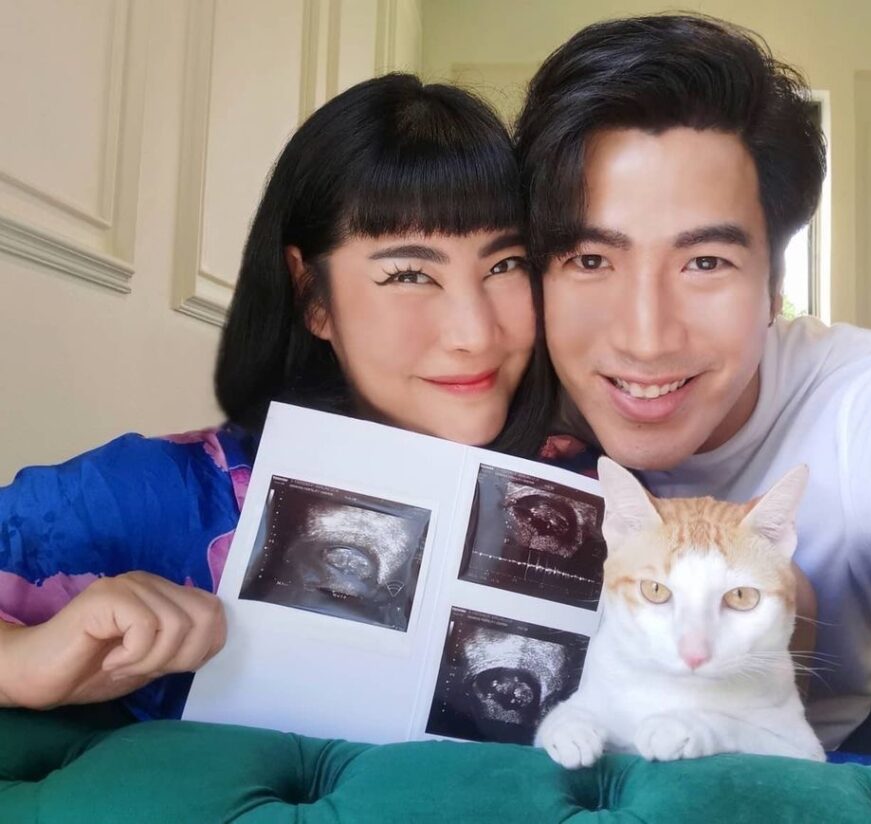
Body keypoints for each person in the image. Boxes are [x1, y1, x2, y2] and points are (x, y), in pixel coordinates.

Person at [516, 13, 871, 767]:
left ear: (774, 285)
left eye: (705, 263)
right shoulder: (483, 383)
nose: (646, 338)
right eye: (591, 260)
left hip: (860, 736)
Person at [0, 73, 555, 721]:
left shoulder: (596, 491)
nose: (475, 333)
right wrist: (21, 663)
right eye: (409, 274)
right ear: (313, 296)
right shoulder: (170, 494)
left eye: (505, 265)